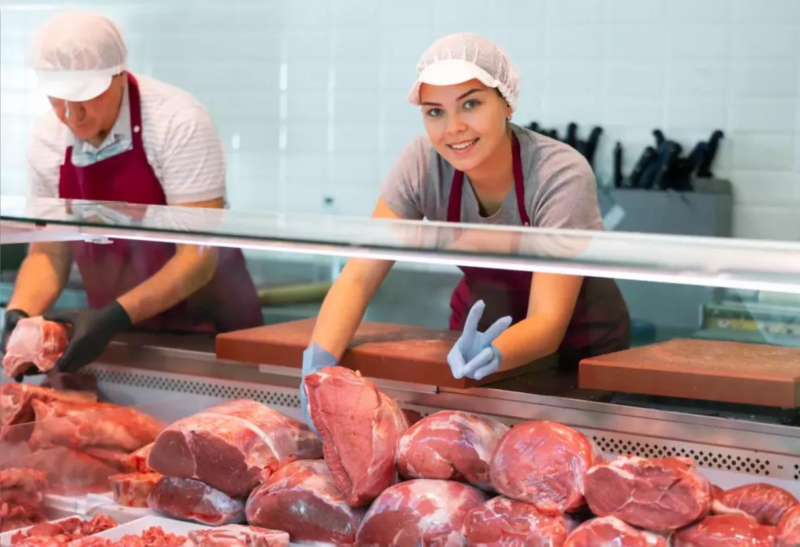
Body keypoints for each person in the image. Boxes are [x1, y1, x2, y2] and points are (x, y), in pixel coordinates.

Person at [299, 33, 630, 416]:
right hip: (474, 339)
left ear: (506, 103)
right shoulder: (422, 164)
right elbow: (358, 276)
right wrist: (320, 362)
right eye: (435, 111)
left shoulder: (559, 173)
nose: (453, 127)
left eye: (470, 104)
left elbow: (548, 321)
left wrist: (496, 351)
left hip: (578, 352)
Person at [0, 11, 262, 375]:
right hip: (112, 338)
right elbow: (49, 251)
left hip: (208, 335)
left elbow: (198, 257)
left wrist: (113, 316)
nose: (73, 116)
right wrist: (20, 313)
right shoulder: (48, 139)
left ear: (120, 76)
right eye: (58, 99)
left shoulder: (177, 121)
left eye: (86, 98)